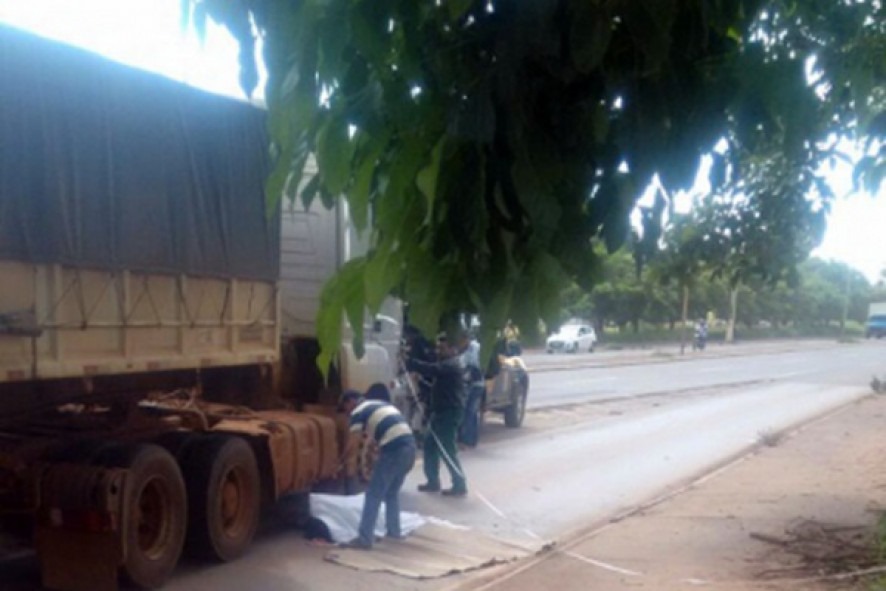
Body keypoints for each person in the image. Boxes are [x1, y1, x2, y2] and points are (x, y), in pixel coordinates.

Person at [338, 389, 416, 549]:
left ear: (350, 402)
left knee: (373, 495)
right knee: (391, 493)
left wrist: (340, 461)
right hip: (410, 448)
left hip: (394, 449)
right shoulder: (380, 404)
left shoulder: (358, 411)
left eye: (345, 408)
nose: (346, 413)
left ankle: (364, 539)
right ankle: (394, 532)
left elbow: (353, 443)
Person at [405, 332, 468, 497]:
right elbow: (438, 382)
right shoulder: (447, 365)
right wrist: (421, 380)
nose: (439, 351)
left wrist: (409, 362)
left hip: (449, 411)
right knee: (429, 446)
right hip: (440, 411)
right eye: (438, 347)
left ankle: (459, 484)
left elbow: (432, 369)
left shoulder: (452, 364)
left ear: (452, 349)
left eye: (443, 348)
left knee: (447, 449)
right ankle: (433, 481)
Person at [459, 332, 484, 448]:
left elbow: (473, 364)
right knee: (471, 412)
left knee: (469, 412)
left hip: (475, 384)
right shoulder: (466, 348)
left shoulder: (474, 348)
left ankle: (468, 440)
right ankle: (471, 439)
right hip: (472, 383)